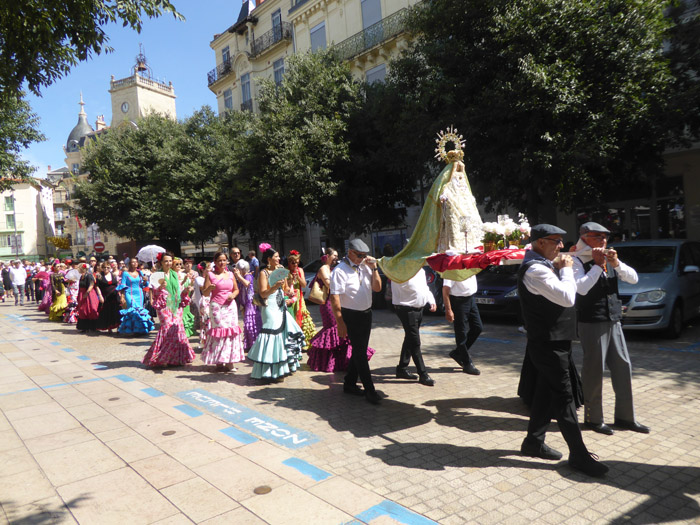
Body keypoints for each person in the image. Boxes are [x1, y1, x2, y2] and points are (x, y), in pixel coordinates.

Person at [517, 224, 608, 477]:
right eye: (555, 241)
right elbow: (568, 297)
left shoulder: (545, 266)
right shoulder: (535, 270)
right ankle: (579, 455)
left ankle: (533, 442)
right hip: (548, 345)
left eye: (560, 241)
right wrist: (567, 270)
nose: (560, 246)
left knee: (546, 393)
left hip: (556, 342)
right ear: (539, 243)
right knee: (564, 398)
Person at [572, 222, 649, 435]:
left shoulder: (609, 257)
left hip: (614, 319)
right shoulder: (577, 259)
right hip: (591, 321)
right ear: (585, 237)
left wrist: (616, 264)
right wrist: (597, 266)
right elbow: (581, 288)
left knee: (623, 367)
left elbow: (633, 279)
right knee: (594, 371)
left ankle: (625, 418)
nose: (603, 241)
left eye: (605, 237)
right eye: (597, 236)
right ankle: (593, 419)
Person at [331, 239, 383, 404]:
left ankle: (349, 383)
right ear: (350, 252)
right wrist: (340, 322)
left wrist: (374, 268)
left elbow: (377, 288)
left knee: (359, 350)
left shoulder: (366, 267)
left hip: (366, 314)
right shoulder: (340, 271)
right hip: (350, 315)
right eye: (359, 255)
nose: (362, 258)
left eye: (364, 255)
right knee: (361, 353)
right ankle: (370, 390)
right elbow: (335, 298)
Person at [247, 245, 305, 380]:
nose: (279, 258)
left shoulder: (281, 270)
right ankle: (268, 370)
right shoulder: (263, 273)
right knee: (272, 334)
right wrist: (274, 287)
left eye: (279, 256)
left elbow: (285, 289)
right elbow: (263, 293)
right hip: (269, 306)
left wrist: (289, 290)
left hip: (280, 305)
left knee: (283, 334)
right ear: (269, 259)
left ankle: (281, 369)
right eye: (276, 257)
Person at [142, 252, 196, 368]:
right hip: (163, 305)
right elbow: (153, 291)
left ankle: (176, 358)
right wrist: (160, 288)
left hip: (175, 304)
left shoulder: (175, 275)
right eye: (166, 261)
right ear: (161, 262)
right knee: (166, 328)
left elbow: (179, 290)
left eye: (170, 261)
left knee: (177, 329)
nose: (168, 263)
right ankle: (162, 357)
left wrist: (186, 290)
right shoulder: (157, 275)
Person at [392, 266, 437, 386]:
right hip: (406, 309)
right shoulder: (399, 270)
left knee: (410, 339)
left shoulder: (420, 270)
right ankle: (423, 374)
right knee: (415, 342)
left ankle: (401, 368)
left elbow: (424, 288)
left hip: (419, 309)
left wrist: (431, 300)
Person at [200, 251, 244, 372]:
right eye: (219, 260)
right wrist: (209, 288)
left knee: (231, 332)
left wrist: (233, 295)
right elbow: (205, 293)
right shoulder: (210, 274)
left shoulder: (230, 274)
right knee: (220, 332)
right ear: (215, 262)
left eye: (224, 260)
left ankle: (230, 361)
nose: (222, 262)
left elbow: (236, 289)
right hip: (216, 307)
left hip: (230, 307)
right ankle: (218, 360)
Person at [443, 273, 482, 375]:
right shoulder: (452, 266)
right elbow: (445, 290)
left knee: (478, 327)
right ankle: (466, 363)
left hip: (471, 298)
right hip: (458, 301)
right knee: (461, 333)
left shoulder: (469, 264)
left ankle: (457, 353)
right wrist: (448, 310)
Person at [285, 250, 316, 348]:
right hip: (289, 297)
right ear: (289, 262)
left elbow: (304, 284)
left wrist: (298, 277)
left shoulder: (300, 270)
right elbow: (285, 287)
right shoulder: (285, 271)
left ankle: (304, 342)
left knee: (302, 316)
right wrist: (290, 281)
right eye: (293, 262)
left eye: (297, 262)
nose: (295, 264)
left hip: (299, 297)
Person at [117, 258, 154, 335]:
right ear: (130, 264)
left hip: (139, 293)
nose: (135, 263)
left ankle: (140, 329)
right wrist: (122, 297)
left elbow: (145, 285)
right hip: (129, 293)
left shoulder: (140, 272)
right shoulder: (125, 273)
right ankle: (131, 329)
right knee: (132, 310)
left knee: (139, 311)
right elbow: (123, 285)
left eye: (136, 262)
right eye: (133, 262)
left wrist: (145, 280)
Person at [236, 259, 261, 352]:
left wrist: (238, 276)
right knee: (249, 324)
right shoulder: (245, 276)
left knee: (250, 324)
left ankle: (253, 343)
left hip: (250, 303)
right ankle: (250, 343)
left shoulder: (248, 276)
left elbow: (246, 284)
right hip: (246, 304)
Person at [95, 262, 121, 333]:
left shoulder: (113, 275)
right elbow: (97, 286)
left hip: (114, 296)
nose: (106, 269)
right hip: (105, 296)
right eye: (104, 267)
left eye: (108, 267)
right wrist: (100, 296)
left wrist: (119, 293)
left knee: (117, 311)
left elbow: (117, 285)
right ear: (102, 268)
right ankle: (109, 327)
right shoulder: (99, 276)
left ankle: (118, 326)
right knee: (107, 311)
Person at [173, 257, 195, 338]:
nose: (179, 265)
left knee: (185, 313)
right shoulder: (171, 275)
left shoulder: (184, 274)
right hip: (175, 298)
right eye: (176, 264)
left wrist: (191, 282)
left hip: (184, 296)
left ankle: (186, 331)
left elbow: (189, 286)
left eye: (180, 264)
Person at [76, 263, 101, 333]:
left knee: (90, 309)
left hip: (88, 294)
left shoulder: (89, 275)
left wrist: (87, 293)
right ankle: (84, 327)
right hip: (82, 293)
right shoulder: (82, 276)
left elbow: (91, 284)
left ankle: (93, 327)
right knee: (83, 310)